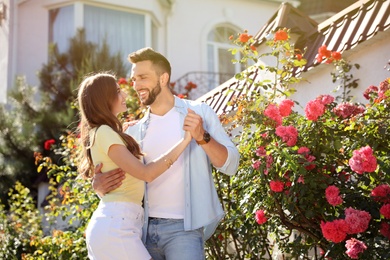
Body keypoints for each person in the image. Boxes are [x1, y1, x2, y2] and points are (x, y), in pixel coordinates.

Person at [93, 47, 240, 260]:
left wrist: (202, 137)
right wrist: (97, 187)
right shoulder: (133, 131)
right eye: (134, 79)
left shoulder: (199, 112)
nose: (136, 86)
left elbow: (231, 164)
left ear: (163, 78)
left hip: (184, 230)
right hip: (141, 230)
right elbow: (122, 181)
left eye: (143, 77)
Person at [77, 72, 193, 260]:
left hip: (116, 225)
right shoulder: (104, 132)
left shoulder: (107, 132)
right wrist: (184, 141)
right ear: (103, 99)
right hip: (116, 228)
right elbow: (146, 174)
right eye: (117, 91)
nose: (124, 95)